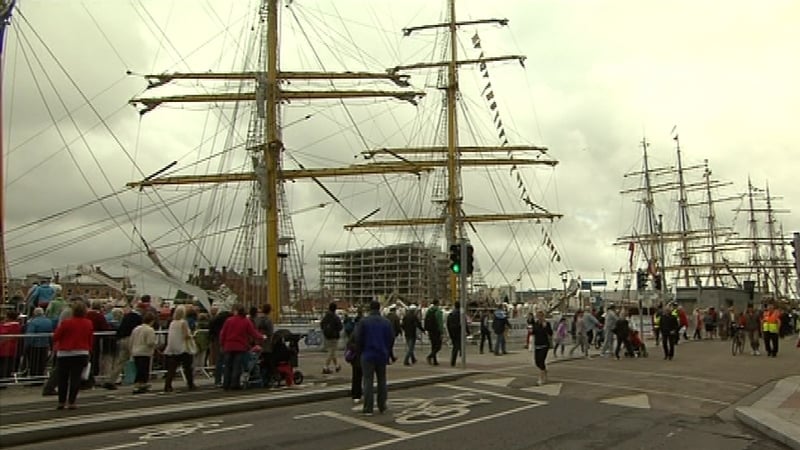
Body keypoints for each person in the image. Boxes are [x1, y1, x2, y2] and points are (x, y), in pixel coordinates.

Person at [353, 300, 394, 416]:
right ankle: (382, 405)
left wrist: (360, 351)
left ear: (370, 309)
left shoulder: (364, 322)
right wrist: (388, 351)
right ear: (379, 308)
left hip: (367, 354)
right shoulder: (386, 322)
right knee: (382, 380)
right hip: (382, 354)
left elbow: (358, 338)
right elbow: (391, 338)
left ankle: (368, 408)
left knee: (368, 381)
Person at [52, 302, 94, 410]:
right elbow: (90, 338)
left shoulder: (66, 323)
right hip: (81, 352)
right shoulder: (88, 323)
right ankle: (72, 401)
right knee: (76, 378)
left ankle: (61, 401)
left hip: (65, 353)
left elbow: (56, 336)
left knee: (63, 378)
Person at [219, 304, 263, 390]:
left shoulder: (229, 320)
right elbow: (253, 332)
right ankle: (234, 384)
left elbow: (223, 333)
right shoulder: (246, 321)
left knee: (228, 366)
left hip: (228, 346)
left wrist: (222, 344)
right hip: (240, 346)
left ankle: (226, 384)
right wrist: (261, 337)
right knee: (237, 366)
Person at [104, 301, 145, 389]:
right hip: (131, 339)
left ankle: (111, 380)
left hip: (121, 339)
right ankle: (140, 381)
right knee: (138, 360)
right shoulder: (138, 318)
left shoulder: (127, 316)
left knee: (120, 361)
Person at [163, 305, 196, 392]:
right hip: (183, 347)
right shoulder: (183, 322)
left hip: (173, 348)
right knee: (188, 367)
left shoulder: (172, 323)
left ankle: (167, 385)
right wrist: (191, 335)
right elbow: (186, 335)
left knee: (172, 368)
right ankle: (190, 384)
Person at [130, 311, 157, 394]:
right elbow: (150, 342)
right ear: (152, 321)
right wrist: (155, 345)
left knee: (139, 369)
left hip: (135, 351)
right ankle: (140, 384)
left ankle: (140, 384)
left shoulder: (136, 329)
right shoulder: (150, 330)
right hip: (145, 352)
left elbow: (131, 340)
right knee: (144, 370)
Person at [24, 307, 53, 377]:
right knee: (42, 363)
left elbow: (30, 335)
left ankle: (33, 378)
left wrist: (26, 346)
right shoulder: (49, 321)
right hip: (45, 345)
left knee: (34, 363)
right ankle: (40, 377)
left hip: (35, 345)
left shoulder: (33, 322)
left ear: (34, 313)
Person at [531, 310, 553, 386]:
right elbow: (533, 332)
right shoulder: (535, 324)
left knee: (541, 360)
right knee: (537, 362)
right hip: (537, 344)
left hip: (544, 345)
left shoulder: (547, 323)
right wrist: (531, 330)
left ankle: (541, 378)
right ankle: (544, 371)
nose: (540, 317)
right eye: (538, 316)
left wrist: (545, 327)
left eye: (541, 316)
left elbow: (550, 333)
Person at [320, 302, 343, 374]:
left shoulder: (326, 317)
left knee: (332, 352)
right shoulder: (335, 317)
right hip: (334, 337)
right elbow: (340, 327)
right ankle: (325, 367)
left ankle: (337, 366)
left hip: (327, 336)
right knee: (331, 352)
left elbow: (321, 324)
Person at [0, 311, 23, 381]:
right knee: (8, 363)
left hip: (4, 348)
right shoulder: (17, 326)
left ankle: (3, 379)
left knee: (3, 364)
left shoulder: (7, 326)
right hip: (10, 348)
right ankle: (6, 378)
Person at [424, 300, 444, 365]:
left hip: (430, 330)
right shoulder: (438, 311)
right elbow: (440, 323)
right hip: (436, 331)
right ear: (438, 303)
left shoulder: (429, 311)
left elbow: (425, 320)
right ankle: (430, 356)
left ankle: (434, 360)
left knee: (433, 345)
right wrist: (442, 331)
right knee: (438, 346)